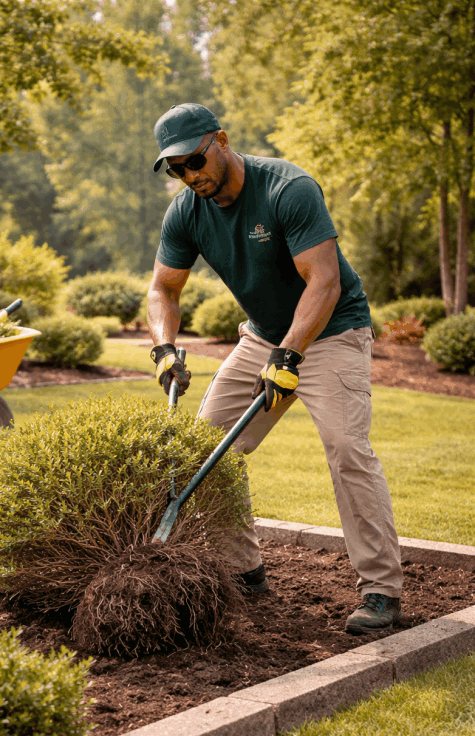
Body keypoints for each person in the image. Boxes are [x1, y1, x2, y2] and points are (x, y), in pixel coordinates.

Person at [146, 102, 404, 635]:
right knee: (207, 449)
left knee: (346, 448)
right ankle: (245, 570)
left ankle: (381, 589)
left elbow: (324, 283)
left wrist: (289, 356)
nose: (189, 176)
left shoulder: (288, 189)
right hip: (264, 338)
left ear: (220, 139)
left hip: (332, 332)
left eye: (194, 161)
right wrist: (165, 348)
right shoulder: (187, 211)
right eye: (176, 169)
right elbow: (163, 289)